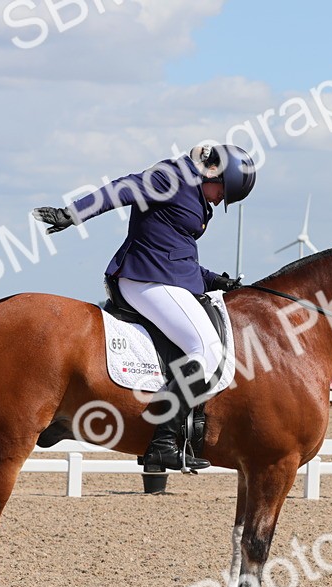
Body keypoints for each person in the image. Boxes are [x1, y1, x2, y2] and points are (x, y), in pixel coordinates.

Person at [33, 143, 255, 473]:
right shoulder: (172, 177)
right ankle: (162, 444)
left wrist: (215, 281)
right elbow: (121, 189)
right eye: (223, 191)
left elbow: (177, 256)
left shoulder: (196, 193)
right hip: (144, 280)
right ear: (214, 172)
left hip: (162, 278)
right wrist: (73, 213)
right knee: (206, 350)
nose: (220, 200)